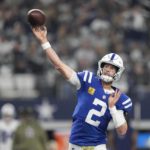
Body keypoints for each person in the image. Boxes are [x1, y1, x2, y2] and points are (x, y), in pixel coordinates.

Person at [31, 26, 133, 150]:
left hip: (97, 146)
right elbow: (60, 66)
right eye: (106, 66)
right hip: (75, 144)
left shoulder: (119, 98)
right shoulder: (88, 80)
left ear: (117, 72)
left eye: (112, 68)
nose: (107, 70)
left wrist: (112, 108)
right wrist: (44, 42)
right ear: (101, 66)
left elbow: (122, 131)